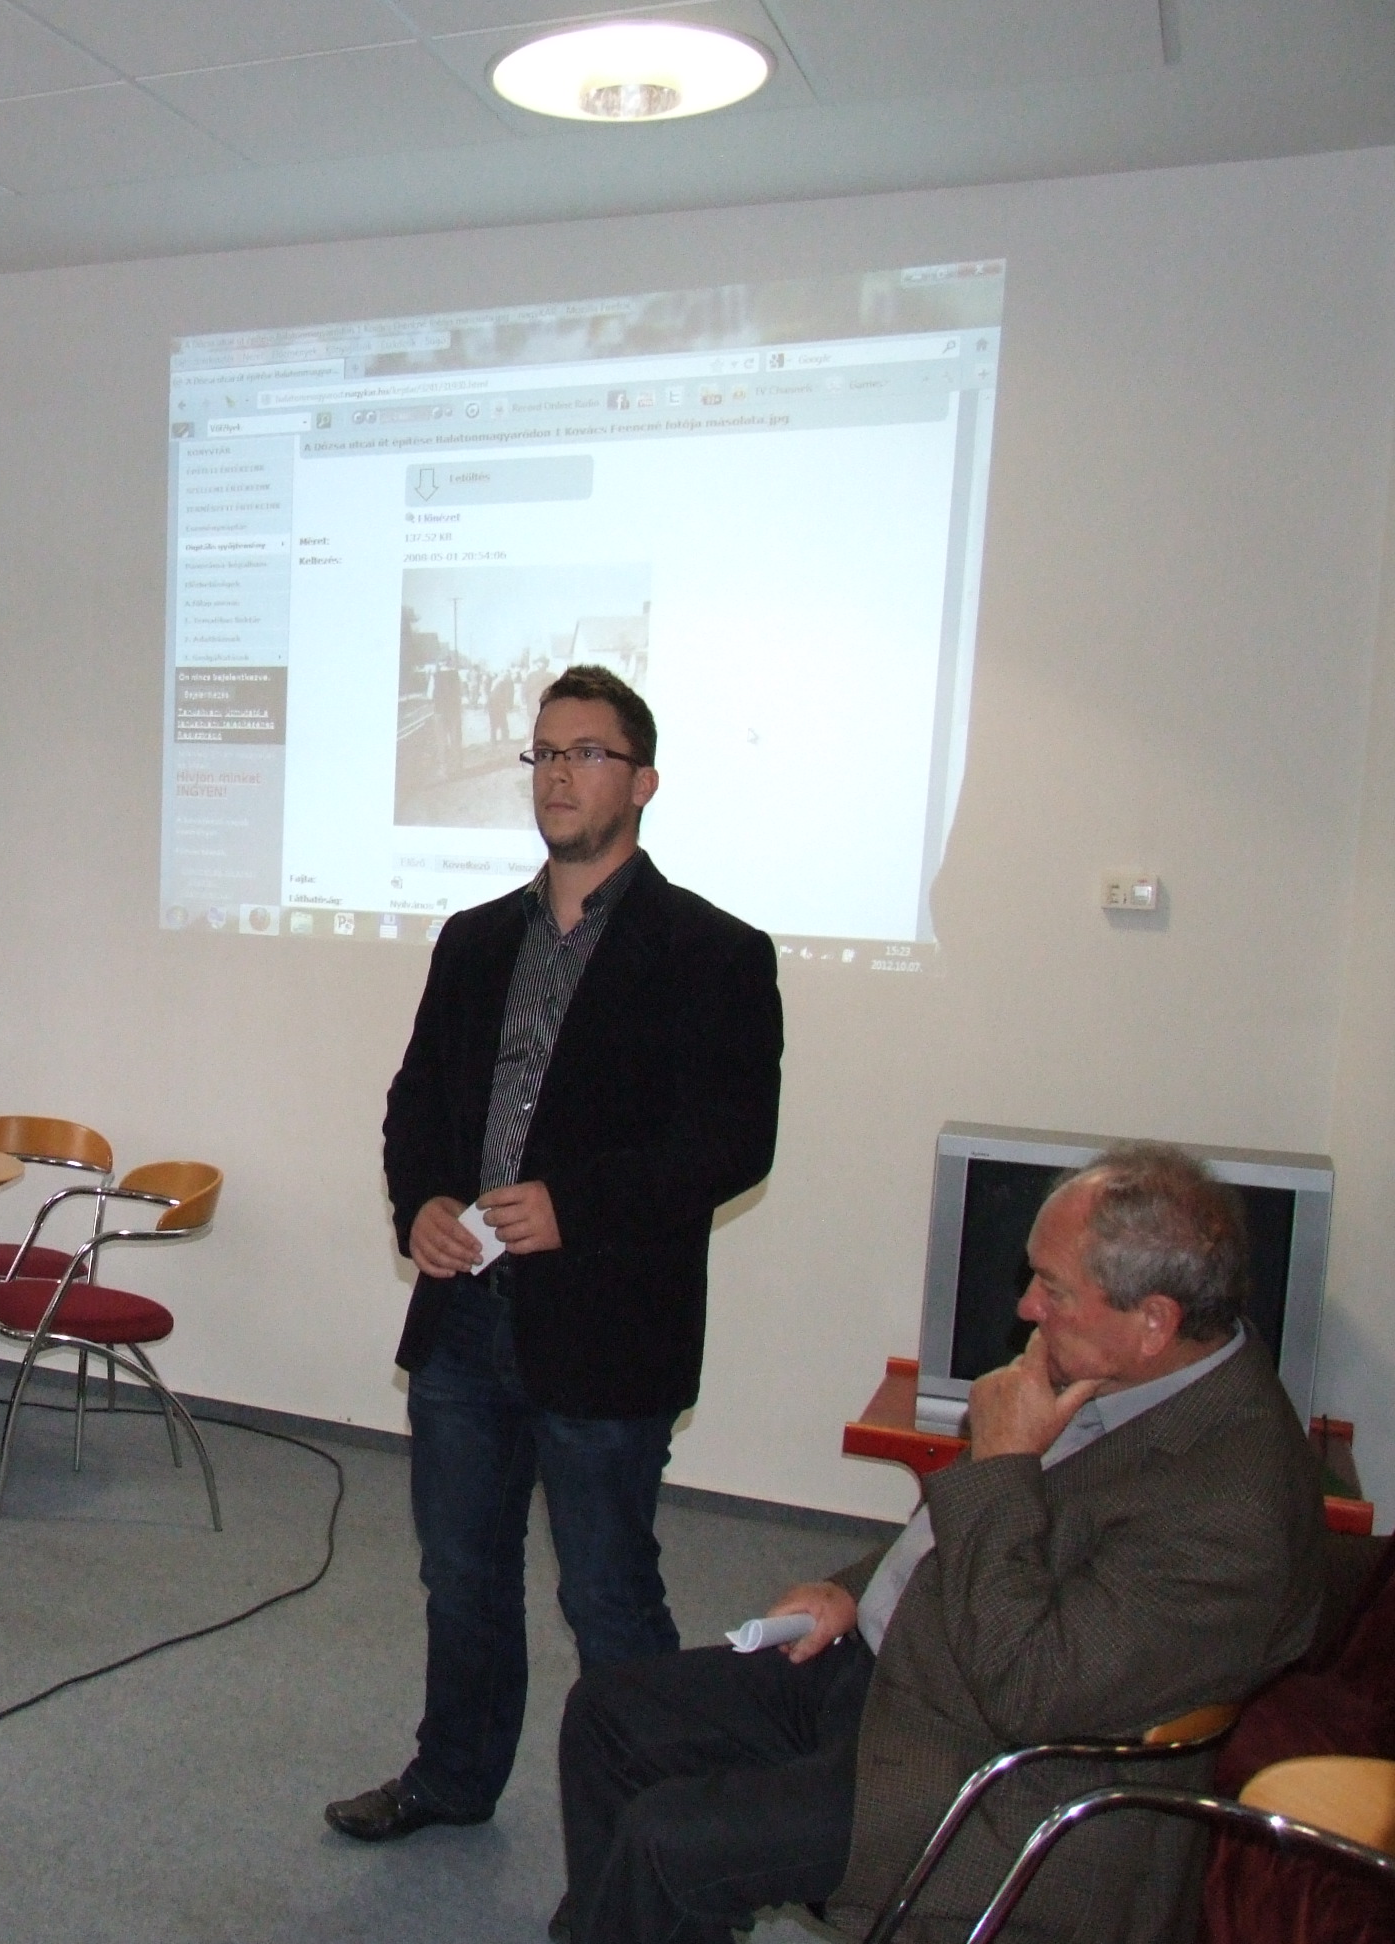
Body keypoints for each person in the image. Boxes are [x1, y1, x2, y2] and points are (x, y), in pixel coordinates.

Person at [556, 1144, 1326, 1944]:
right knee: (608, 1714)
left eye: (1053, 1288)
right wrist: (855, 1588)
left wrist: (1002, 1464)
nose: (1027, 1306)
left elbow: (1031, 1691)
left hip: (989, 1770)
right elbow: (955, 1532)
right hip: (899, 1666)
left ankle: (631, 1910)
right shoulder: (1123, 1365)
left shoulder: (1236, 1509)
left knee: (670, 1840)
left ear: (1155, 1320)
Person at [329, 664, 784, 1843]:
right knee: (461, 1577)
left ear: (644, 782)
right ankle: (452, 1778)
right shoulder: (475, 940)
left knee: (608, 1594)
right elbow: (415, 1102)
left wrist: (576, 1205)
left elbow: (732, 1142)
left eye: (588, 753)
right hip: (465, 1313)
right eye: (544, 754)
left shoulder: (716, 952)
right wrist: (422, 1204)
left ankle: (655, 1837)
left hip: (609, 1321)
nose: (559, 775)